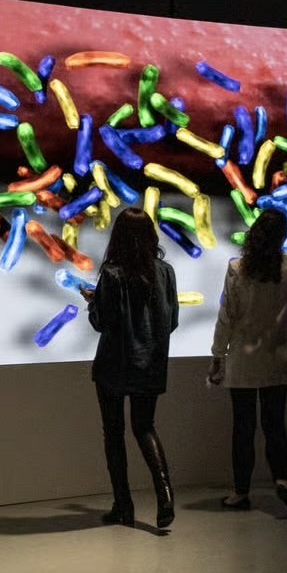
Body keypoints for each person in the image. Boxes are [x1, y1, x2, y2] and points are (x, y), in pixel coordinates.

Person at [209, 210, 287, 514]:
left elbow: (226, 315)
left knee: (243, 428)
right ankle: (282, 481)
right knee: (275, 424)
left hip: (243, 360)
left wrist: (218, 354)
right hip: (278, 360)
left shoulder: (237, 268)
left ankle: (240, 492)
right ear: (282, 237)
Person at [83, 207, 179, 528]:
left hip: (114, 365)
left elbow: (103, 322)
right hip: (150, 364)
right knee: (145, 427)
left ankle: (123, 505)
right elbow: (172, 321)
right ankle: (165, 496)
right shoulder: (165, 272)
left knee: (114, 434)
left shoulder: (112, 274)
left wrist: (93, 302)